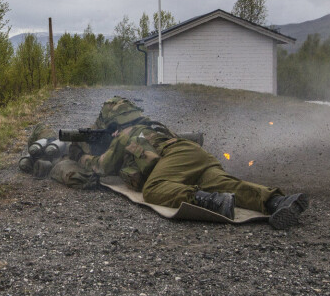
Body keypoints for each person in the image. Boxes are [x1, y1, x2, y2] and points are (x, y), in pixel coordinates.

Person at [56, 97, 308, 229]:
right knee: (226, 183)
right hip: (195, 154)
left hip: (174, 157)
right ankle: (277, 201)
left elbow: (102, 166)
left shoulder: (124, 135)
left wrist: (79, 156)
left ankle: (210, 201)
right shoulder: (154, 126)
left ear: (113, 123)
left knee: (154, 190)